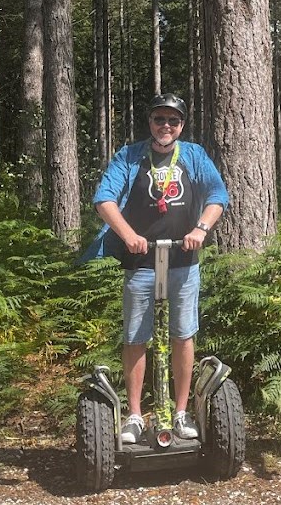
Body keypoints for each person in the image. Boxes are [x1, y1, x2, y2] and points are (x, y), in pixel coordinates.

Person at [83, 93, 228, 445]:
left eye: (173, 121)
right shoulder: (130, 156)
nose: (166, 126)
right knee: (136, 337)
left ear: (181, 125)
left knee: (182, 334)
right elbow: (104, 199)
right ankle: (134, 415)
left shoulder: (193, 155)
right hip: (141, 262)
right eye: (160, 119)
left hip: (182, 261)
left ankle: (180, 412)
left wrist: (200, 230)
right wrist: (128, 235)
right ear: (150, 122)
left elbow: (217, 196)